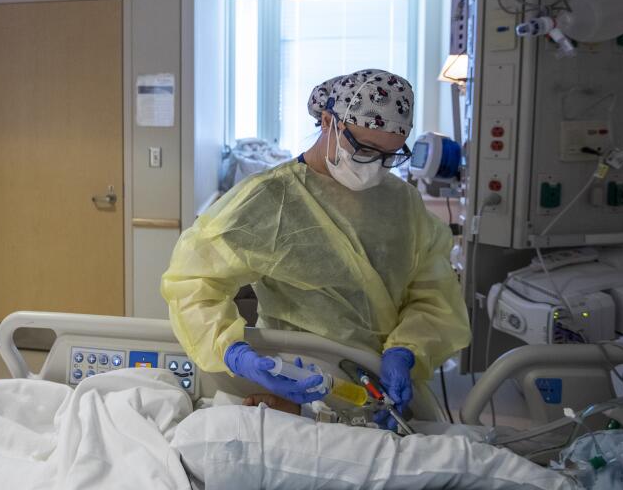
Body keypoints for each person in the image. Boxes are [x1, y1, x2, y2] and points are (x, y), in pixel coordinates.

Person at [161, 69, 471, 430]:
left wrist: (407, 351)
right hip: (299, 383)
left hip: (384, 384)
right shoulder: (269, 199)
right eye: (366, 149)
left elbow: (432, 293)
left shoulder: (402, 203)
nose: (375, 167)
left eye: (389, 156)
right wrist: (233, 352)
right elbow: (193, 283)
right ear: (328, 122)